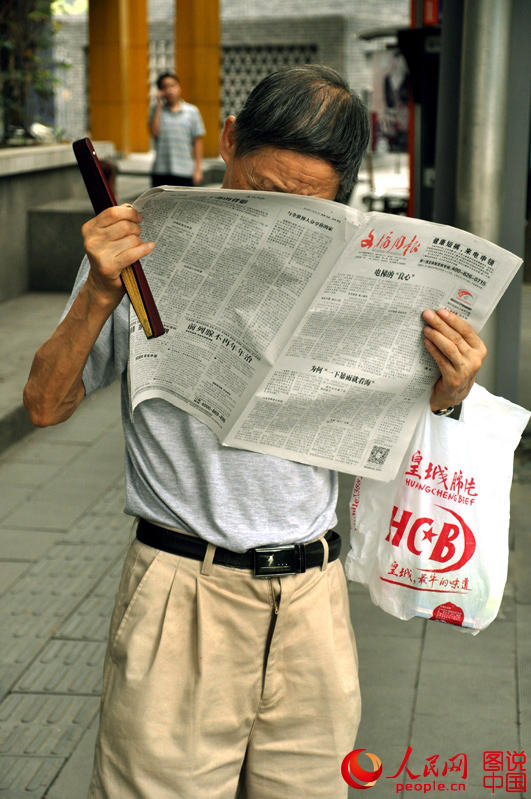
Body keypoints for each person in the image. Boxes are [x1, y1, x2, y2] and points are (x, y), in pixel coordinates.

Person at [23, 65, 487, 799]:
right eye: (261, 191)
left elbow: (401, 431)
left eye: (307, 205)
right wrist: (98, 294)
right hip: (182, 595)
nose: (277, 220)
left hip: (311, 601)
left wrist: (449, 388)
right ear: (230, 138)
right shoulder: (142, 248)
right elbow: (44, 405)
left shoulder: (368, 270)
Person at [149, 71, 205, 188]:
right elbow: (154, 133)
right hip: (160, 170)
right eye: (165, 87)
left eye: (173, 85)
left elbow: (197, 142)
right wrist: (158, 105)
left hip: (184, 171)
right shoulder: (156, 110)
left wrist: (198, 169)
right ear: (160, 91)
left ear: (179, 87)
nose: (170, 90)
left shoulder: (192, 111)